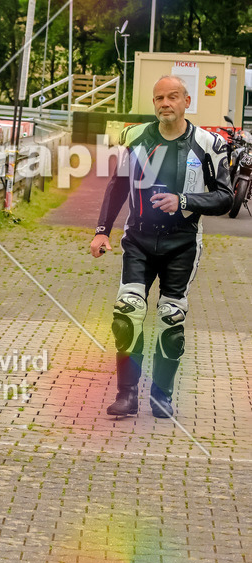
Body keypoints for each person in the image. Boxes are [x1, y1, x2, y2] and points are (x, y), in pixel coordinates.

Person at [90, 75, 232, 418]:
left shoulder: (208, 144)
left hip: (182, 243)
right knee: (128, 312)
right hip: (138, 239)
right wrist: (101, 231)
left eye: (172, 97)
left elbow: (226, 197)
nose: (164, 104)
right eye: (158, 98)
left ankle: (162, 395)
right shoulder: (137, 138)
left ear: (186, 101)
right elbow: (117, 186)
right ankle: (126, 394)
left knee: (171, 317)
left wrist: (184, 199)